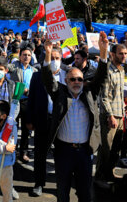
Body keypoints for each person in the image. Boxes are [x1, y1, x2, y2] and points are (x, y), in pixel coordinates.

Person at [42, 32, 109, 202]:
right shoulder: (60, 94)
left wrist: (103, 52)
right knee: (63, 191)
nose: (76, 82)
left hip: (85, 152)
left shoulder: (89, 93)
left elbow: (100, 77)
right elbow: (48, 79)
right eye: (72, 79)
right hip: (63, 151)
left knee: (85, 192)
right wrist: (48, 54)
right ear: (66, 80)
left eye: (79, 79)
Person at [26, 47, 66, 197]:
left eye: (57, 58)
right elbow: (31, 99)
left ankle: (61, 184)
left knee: (62, 155)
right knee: (40, 154)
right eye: (51, 58)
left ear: (61, 59)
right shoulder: (37, 77)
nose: (54, 61)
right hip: (42, 119)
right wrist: (29, 120)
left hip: (61, 122)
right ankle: (39, 183)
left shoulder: (67, 75)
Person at [95, 44, 127, 188]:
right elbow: (104, 97)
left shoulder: (121, 70)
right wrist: (110, 116)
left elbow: (119, 95)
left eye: (125, 53)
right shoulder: (107, 70)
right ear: (113, 54)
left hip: (120, 114)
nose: (124, 56)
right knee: (106, 148)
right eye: (121, 53)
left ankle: (109, 173)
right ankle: (99, 177)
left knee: (116, 148)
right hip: (110, 116)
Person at [7, 47, 38, 163]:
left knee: (26, 128)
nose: (26, 57)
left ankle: (23, 151)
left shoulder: (34, 70)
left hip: (27, 101)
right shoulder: (14, 67)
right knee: (12, 125)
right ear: (20, 56)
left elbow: (35, 88)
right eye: (24, 55)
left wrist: (28, 91)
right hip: (15, 100)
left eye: (29, 55)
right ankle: (11, 149)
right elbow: (5, 68)